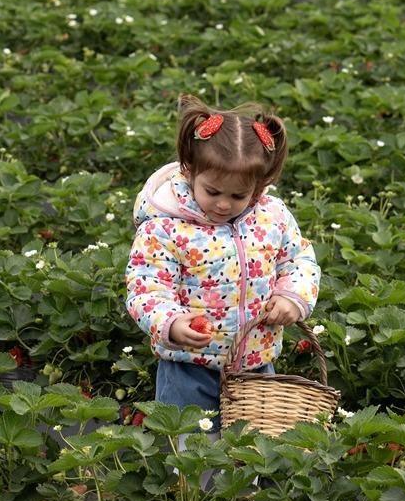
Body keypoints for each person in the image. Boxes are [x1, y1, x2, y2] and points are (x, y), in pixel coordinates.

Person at [125, 95, 320, 435]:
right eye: (212, 191)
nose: (223, 204)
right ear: (189, 171)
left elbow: (298, 258)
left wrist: (293, 297)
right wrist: (170, 322)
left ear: (258, 187)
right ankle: (193, 489)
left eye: (238, 196)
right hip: (187, 366)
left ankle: (246, 489)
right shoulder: (165, 227)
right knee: (191, 449)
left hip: (256, 364)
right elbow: (146, 286)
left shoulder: (271, 217)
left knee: (253, 446)